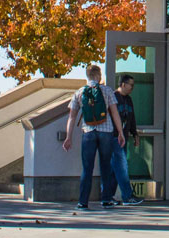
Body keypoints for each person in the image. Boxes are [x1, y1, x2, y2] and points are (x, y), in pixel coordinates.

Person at [62, 64, 128, 210]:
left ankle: (83, 202)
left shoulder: (79, 92)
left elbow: (72, 117)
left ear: (87, 76)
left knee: (87, 167)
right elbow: (115, 113)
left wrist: (68, 137)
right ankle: (106, 200)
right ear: (99, 76)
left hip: (88, 132)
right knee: (105, 165)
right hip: (106, 132)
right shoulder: (107, 90)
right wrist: (121, 132)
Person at [108, 75, 145, 206]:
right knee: (122, 166)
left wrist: (134, 134)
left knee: (115, 169)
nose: (132, 88)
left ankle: (107, 196)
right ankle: (127, 196)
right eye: (131, 85)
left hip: (123, 138)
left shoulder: (128, 100)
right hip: (114, 137)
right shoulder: (113, 98)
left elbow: (131, 118)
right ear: (123, 84)